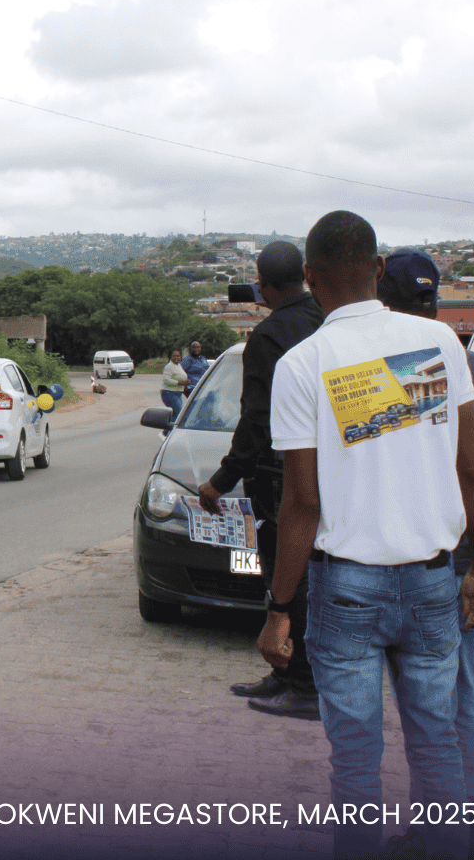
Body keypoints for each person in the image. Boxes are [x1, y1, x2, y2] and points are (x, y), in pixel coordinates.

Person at [261, 211, 474, 860]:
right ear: (379, 268)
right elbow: (471, 468)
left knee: (356, 762)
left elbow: (301, 502)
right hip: (433, 582)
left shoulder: (302, 364)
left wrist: (279, 609)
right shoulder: (439, 342)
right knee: (437, 748)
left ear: (310, 278)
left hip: (346, 591)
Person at [377, 249, 474, 860]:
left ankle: (446, 833)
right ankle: (463, 825)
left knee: (431, 705)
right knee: (457, 694)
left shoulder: (404, 375)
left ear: (384, 303)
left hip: (430, 562)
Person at [199, 241, 324, 720]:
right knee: (313, 570)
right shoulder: (324, 319)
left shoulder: (269, 336)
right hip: (328, 468)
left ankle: (304, 683)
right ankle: (287, 674)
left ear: (263, 284)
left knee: (288, 577)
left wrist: (222, 479)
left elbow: (257, 419)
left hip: (279, 474)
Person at [159, 349, 189, 435]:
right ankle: (167, 432)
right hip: (169, 393)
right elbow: (166, 380)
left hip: (178, 393)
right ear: (171, 357)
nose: (177, 357)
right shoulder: (169, 366)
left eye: (178, 356)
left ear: (181, 357)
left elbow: (182, 376)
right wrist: (180, 382)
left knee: (177, 414)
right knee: (178, 413)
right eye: (174, 356)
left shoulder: (179, 365)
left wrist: (186, 383)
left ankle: (170, 431)